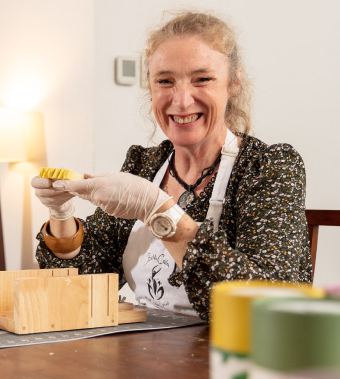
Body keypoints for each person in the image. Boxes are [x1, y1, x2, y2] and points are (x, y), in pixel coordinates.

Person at [32, 11, 311, 322]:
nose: (181, 101)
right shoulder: (145, 164)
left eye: (202, 79)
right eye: (165, 81)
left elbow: (267, 303)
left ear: (233, 83)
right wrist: (62, 216)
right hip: (148, 352)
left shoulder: (267, 168)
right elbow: (87, 279)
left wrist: (157, 209)